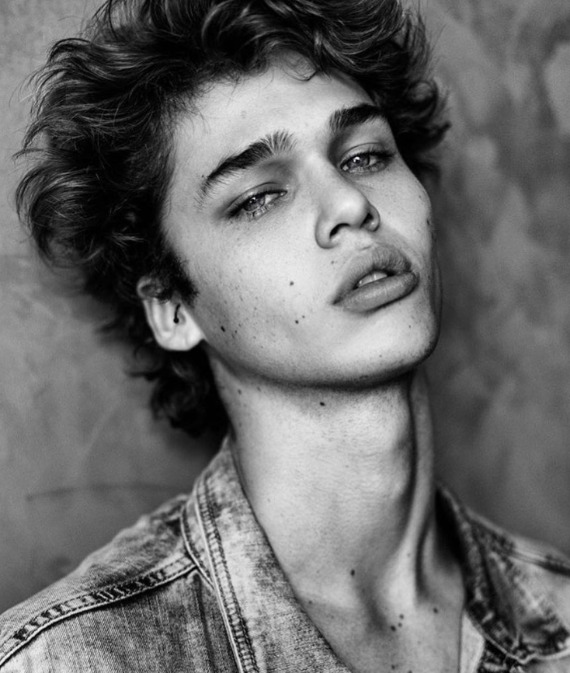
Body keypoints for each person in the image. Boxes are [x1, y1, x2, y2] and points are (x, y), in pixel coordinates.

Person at [1, 0, 569, 670]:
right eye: (259, 198)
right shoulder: (73, 659)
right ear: (173, 309)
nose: (352, 205)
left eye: (366, 155)